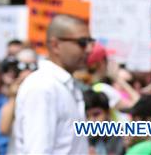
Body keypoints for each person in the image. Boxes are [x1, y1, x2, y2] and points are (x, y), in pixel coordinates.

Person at [13, 14, 93, 154]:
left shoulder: (67, 85)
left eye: (90, 42)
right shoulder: (43, 86)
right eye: (82, 42)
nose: (89, 49)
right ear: (55, 45)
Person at [84, 89, 125, 155]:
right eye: (87, 116)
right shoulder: (85, 138)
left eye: (96, 114)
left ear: (107, 112)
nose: (91, 120)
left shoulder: (119, 136)